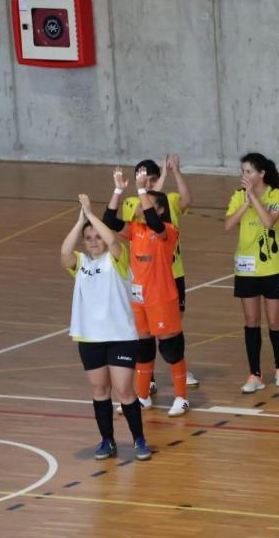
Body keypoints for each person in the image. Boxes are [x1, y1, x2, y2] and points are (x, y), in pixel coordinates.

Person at [61, 194, 151, 461]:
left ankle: (139, 440)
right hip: (90, 337)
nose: (93, 242)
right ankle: (107, 441)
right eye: (88, 239)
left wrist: (91, 215)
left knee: (124, 390)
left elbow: (112, 239)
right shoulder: (81, 263)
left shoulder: (117, 260)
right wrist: (80, 222)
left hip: (121, 335)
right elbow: (64, 253)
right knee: (100, 391)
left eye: (96, 236)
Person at [104, 167, 191, 417]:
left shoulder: (167, 231)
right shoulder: (135, 230)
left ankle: (181, 398)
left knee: (171, 349)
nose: (140, 208)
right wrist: (119, 189)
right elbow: (109, 220)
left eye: (146, 204)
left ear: (160, 209)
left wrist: (143, 189)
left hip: (162, 299)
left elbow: (154, 221)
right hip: (138, 299)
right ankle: (142, 397)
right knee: (143, 349)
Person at [120, 155, 198, 389]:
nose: (149, 184)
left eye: (152, 179)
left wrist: (175, 172)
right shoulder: (132, 202)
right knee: (144, 330)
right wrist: (147, 189)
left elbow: (185, 200)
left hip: (172, 273)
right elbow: (144, 214)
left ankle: (180, 369)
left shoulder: (168, 200)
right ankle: (148, 377)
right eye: (143, 180)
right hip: (144, 278)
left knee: (172, 328)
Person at [224, 152, 279, 392]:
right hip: (246, 268)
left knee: (274, 321)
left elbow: (268, 222)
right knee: (251, 321)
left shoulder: (277, 195)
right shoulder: (238, 196)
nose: (245, 176)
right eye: (242, 172)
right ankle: (255, 374)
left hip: (273, 267)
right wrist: (245, 202)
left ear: (261, 173)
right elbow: (228, 224)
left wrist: (253, 196)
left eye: (249, 171)